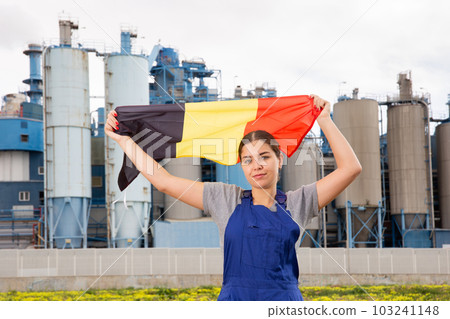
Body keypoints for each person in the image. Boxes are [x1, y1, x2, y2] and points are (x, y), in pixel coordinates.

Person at [105, 94, 362, 301]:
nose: (257, 165)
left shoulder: (299, 202)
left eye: (265, 156)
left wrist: (325, 119)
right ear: (242, 166)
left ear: (280, 159)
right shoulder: (225, 199)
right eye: (248, 160)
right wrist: (123, 140)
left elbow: (351, 168)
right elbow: (163, 181)